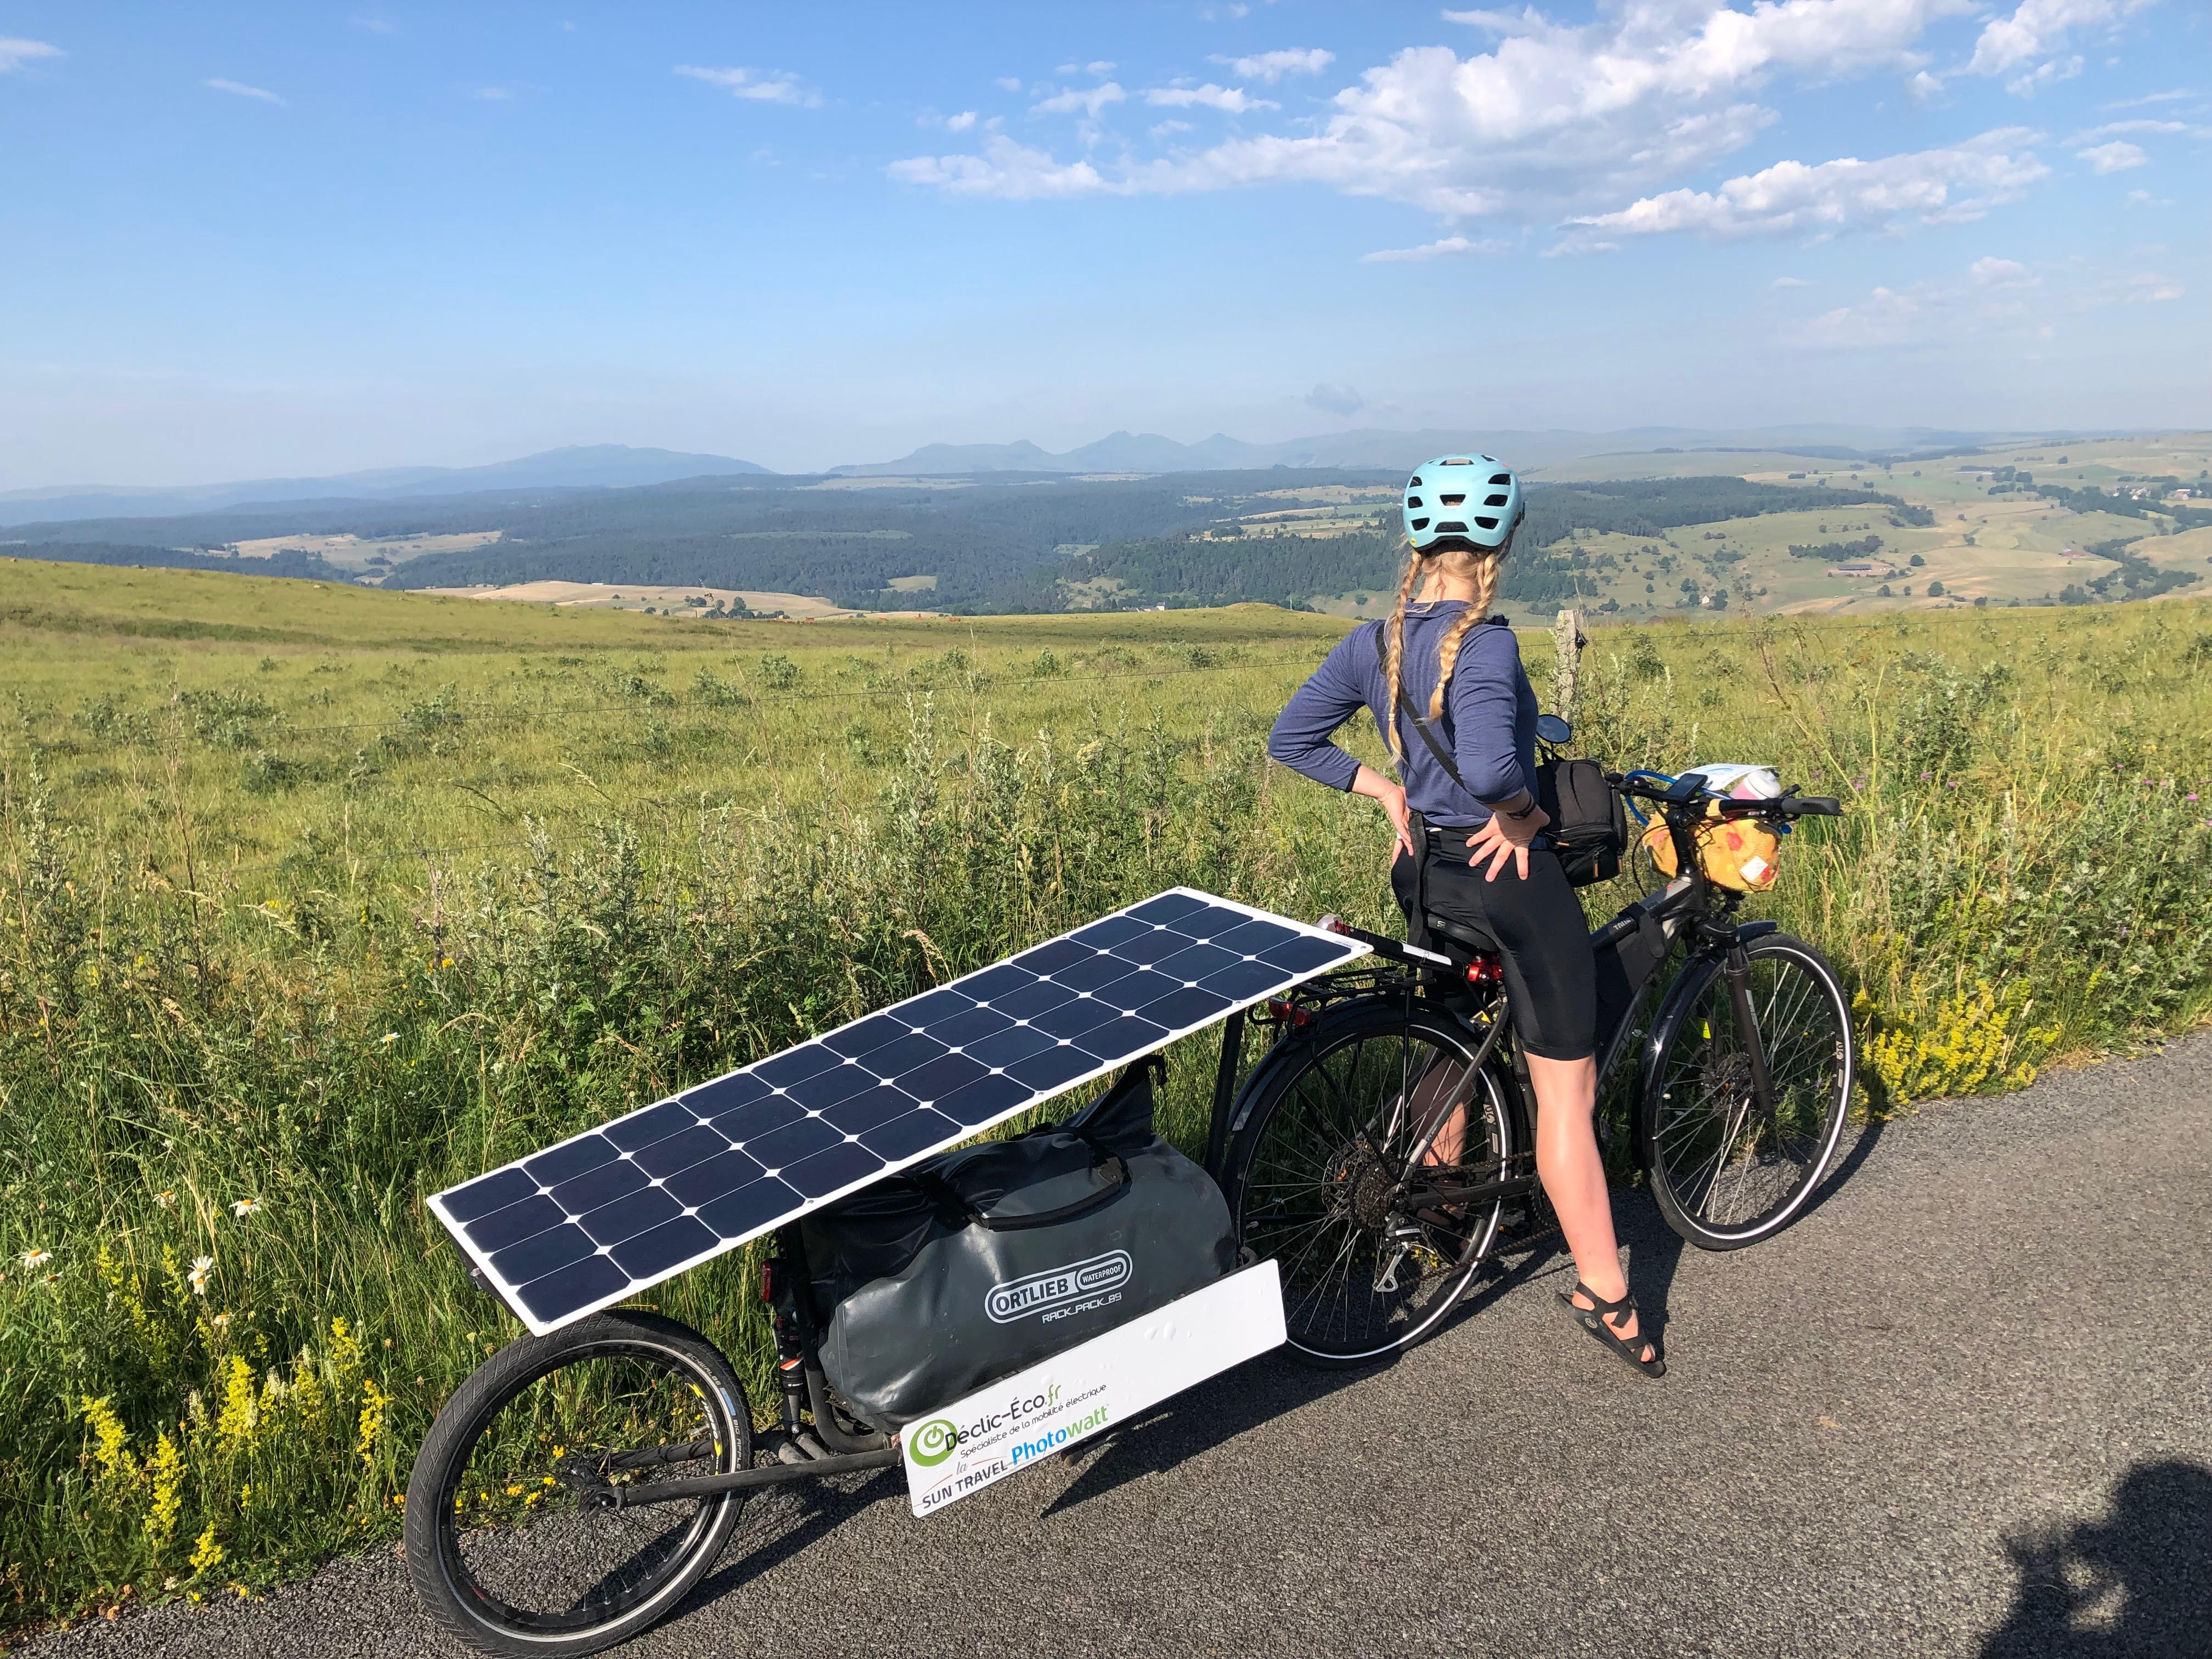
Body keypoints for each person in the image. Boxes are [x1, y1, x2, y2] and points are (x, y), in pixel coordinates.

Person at [1264, 454, 1661, 1378]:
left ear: (1416, 545)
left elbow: (1292, 738)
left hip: (1426, 875)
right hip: (1503, 879)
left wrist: (1386, 793)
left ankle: (1441, 1197)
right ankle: (1608, 1292)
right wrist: (1519, 817)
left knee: (1449, 1025)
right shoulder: (1486, 645)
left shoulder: (1376, 640)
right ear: (1502, 543)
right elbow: (1488, 766)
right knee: (1569, 1093)